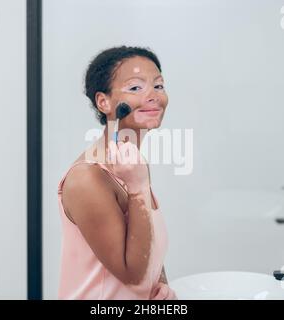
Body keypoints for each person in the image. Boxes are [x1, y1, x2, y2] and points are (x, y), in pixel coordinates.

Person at [57, 46, 177, 299]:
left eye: (158, 86)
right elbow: (134, 277)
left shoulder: (132, 166)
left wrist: (161, 287)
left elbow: (145, 244)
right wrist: (139, 188)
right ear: (104, 102)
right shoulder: (87, 179)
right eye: (136, 88)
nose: (153, 95)